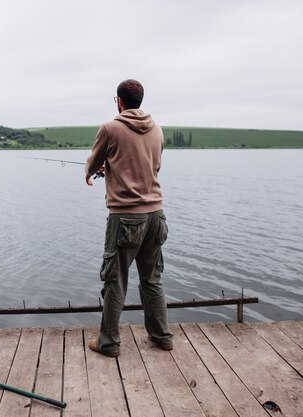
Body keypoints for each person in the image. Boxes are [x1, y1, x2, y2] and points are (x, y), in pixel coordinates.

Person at [85, 79, 173, 357]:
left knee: (115, 280)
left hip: (125, 218)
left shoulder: (110, 128)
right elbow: (154, 165)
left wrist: (92, 171)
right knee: (152, 279)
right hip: (156, 215)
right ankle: (162, 337)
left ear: (120, 102)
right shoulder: (157, 129)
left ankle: (108, 343)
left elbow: (93, 161)